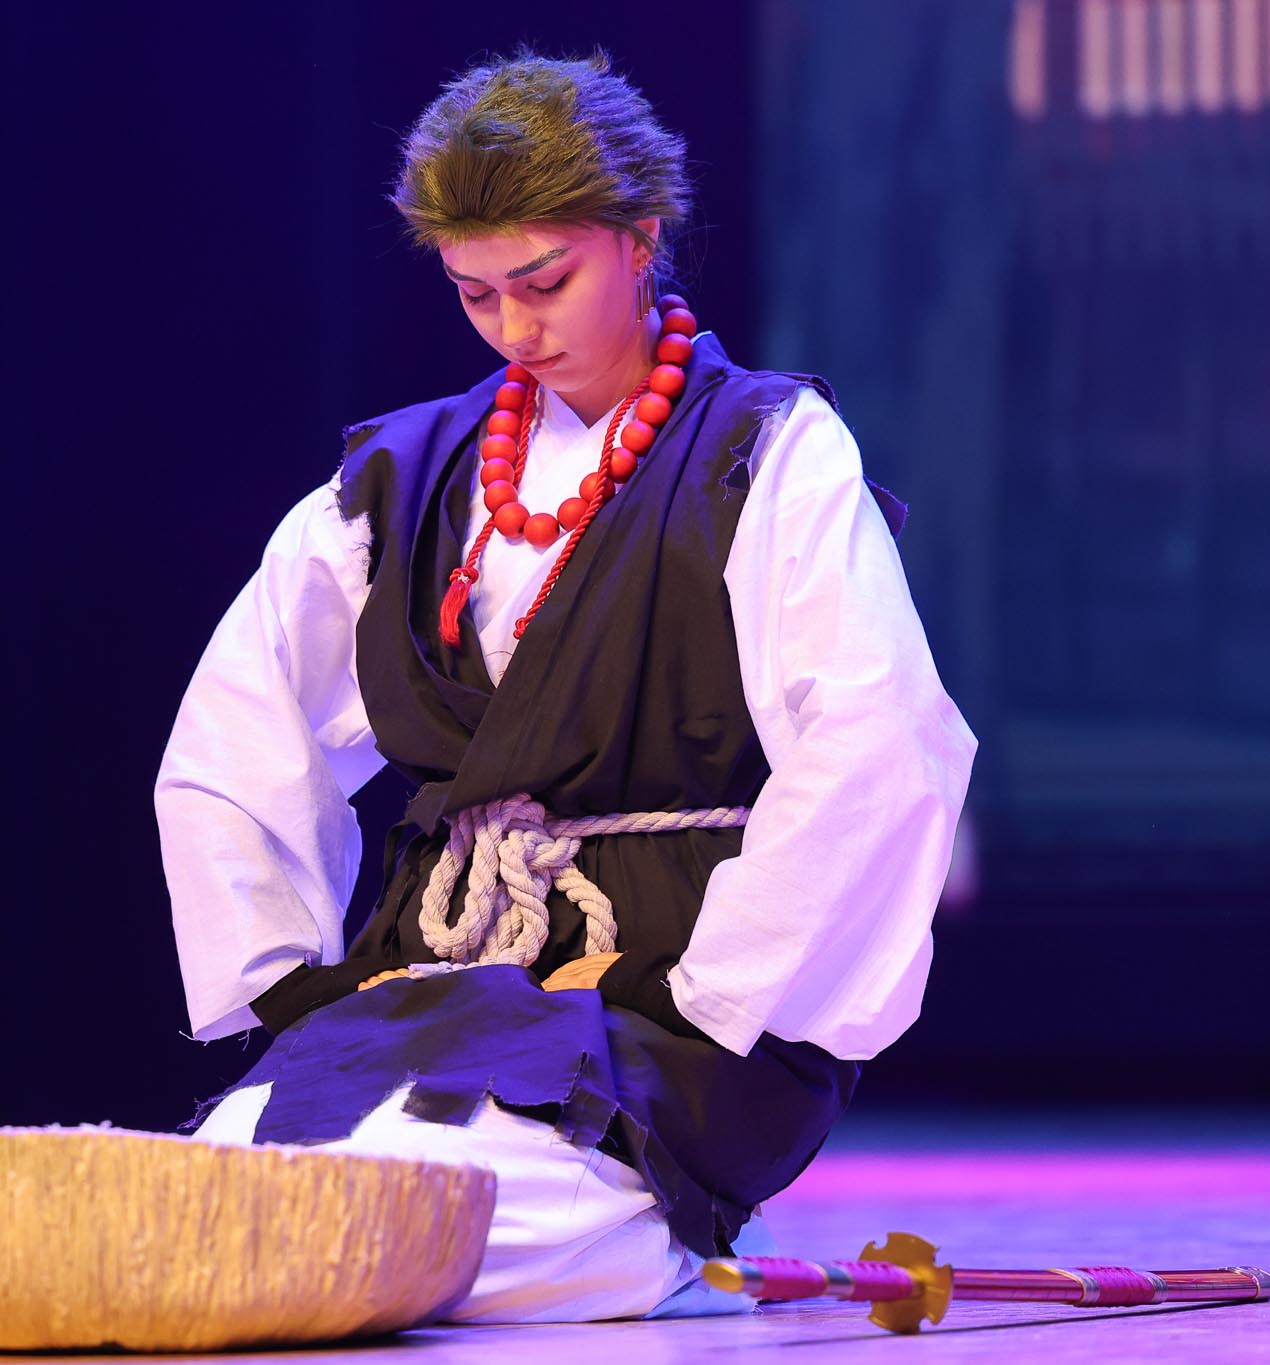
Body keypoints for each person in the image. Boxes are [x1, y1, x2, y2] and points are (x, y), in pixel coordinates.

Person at [154, 48, 977, 1324]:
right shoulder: (403, 478)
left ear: (639, 238)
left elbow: (875, 742)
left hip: (668, 985)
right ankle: (583, 1242)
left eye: (544, 282)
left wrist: (696, 988)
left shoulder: (762, 449)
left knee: (460, 1207)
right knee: (235, 1186)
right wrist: (289, 983)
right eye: (474, 293)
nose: (513, 327)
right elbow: (236, 735)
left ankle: (665, 1244)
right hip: (433, 970)